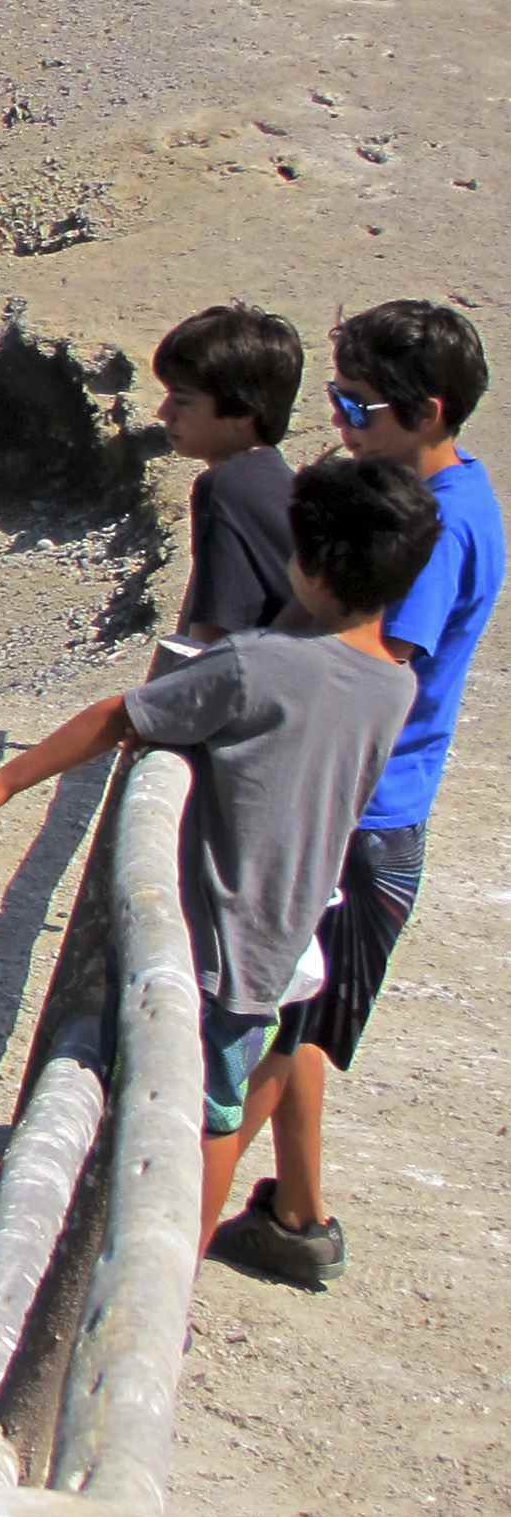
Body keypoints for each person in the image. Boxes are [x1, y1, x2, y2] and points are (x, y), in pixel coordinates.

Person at [0, 453, 435, 1251]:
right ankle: (178, 1266)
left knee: (158, 1101)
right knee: (216, 1114)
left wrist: (2, 782)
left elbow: (122, 716)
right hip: (285, 937)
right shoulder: (396, 684)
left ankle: (116, 1258)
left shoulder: (256, 665)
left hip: (210, 936)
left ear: (316, 562)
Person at [211, 300, 500, 1288]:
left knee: (271, 1032)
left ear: (422, 412)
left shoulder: (432, 531)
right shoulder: (455, 500)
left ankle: (161, 1225)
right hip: (371, 809)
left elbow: (371, 663)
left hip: (360, 815)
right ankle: (295, 1218)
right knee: (305, 1021)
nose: (336, 422)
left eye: (355, 405)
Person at [152, 303, 303, 640]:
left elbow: (210, 644)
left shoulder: (226, 487)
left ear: (243, 412)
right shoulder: (277, 483)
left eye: (183, 400)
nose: (163, 412)